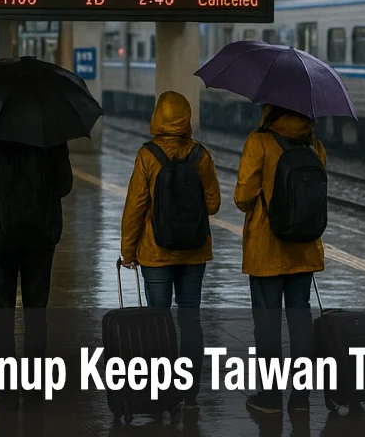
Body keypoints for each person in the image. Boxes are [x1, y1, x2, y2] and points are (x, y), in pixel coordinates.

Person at [120, 91, 221, 408]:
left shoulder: (147, 156)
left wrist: (128, 251)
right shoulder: (201, 155)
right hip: (194, 252)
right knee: (190, 320)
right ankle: (189, 395)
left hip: (156, 254)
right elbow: (214, 204)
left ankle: (160, 390)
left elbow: (135, 207)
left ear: (157, 118)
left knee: (158, 320)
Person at [0, 132, 73, 402]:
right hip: (41, 237)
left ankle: (4, 391)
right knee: (36, 314)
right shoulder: (52, 135)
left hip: (0, 238)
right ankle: (34, 389)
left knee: (1, 315)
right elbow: (64, 185)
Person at [233, 104, 326, 415]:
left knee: (268, 325)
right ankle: (301, 397)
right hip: (304, 247)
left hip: (266, 249)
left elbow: (243, 197)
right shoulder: (314, 144)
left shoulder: (258, 142)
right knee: (301, 323)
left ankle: (270, 396)